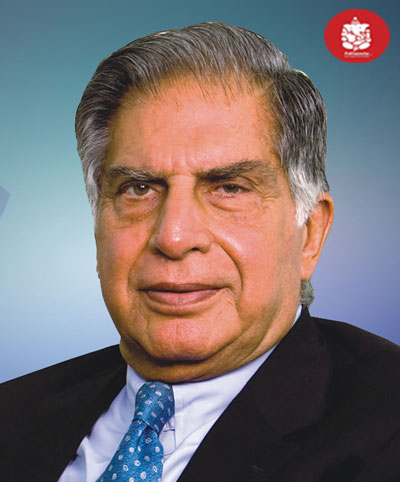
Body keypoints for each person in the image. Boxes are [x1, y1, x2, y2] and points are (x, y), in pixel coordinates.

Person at [1, 22, 399, 482]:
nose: (173, 237)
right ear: (98, 229)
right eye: (139, 189)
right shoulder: (12, 413)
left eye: (229, 188)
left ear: (309, 233)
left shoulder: (386, 429)